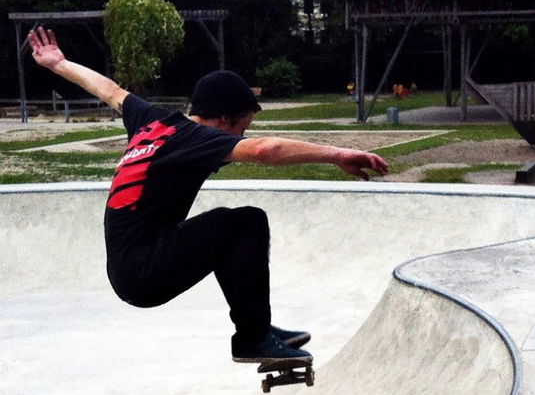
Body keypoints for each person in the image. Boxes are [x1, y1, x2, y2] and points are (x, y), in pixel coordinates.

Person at [27, 26, 390, 365]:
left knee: (229, 227)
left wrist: (59, 63)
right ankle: (252, 337)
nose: (241, 137)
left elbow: (108, 90)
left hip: (131, 265)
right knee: (245, 223)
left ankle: (256, 329)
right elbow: (266, 151)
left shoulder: (152, 120)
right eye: (242, 128)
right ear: (223, 120)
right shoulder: (196, 138)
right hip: (144, 275)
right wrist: (338, 154)